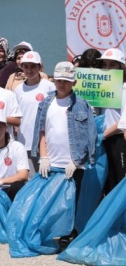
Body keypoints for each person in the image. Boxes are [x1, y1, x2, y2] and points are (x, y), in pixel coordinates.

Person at [32, 61, 97, 247]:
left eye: (66, 81)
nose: (62, 84)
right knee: (50, 200)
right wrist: (43, 156)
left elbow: (90, 136)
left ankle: (70, 233)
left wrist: (77, 161)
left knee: (72, 201)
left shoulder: (83, 105)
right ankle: (51, 231)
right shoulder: (45, 103)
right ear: (54, 80)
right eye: (59, 80)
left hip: (72, 165)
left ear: (74, 82)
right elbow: (41, 131)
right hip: (51, 163)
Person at [13, 51, 55, 176]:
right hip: (25, 143)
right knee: (30, 182)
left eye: (33, 66)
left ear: (40, 67)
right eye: (26, 66)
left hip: (46, 144)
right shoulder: (18, 90)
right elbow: (16, 117)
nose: (29, 70)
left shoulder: (50, 87)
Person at [101, 49, 126, 193]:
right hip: (103, 141)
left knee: (120, 181)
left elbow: (123, 122)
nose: (107, 68)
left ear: (121, 67)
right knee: (108, 182)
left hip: (118, 141)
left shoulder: (124, 88)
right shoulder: (102, 88)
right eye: (105, 64)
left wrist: (102, 135)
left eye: (112, 64)